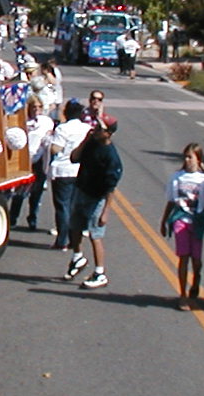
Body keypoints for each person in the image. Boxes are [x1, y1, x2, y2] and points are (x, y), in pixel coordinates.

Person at [159, 142, 204, 306]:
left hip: (197, 222)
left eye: (190, 157)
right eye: (185, 157)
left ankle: (196, 280)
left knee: (196, 259)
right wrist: (164, 221)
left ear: (198, 159)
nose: (187, 160)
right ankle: (183, 294)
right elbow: (171, 201)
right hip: (180, 219)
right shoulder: (177, 178)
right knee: (183, 257)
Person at [65, 116, 122, 289]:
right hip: (81, 191)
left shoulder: (111, 157)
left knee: (95, 235)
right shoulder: (91, 143)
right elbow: (73, 158)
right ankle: (78, 257)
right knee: (74, 227)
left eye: (100, 128)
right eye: (96, 126)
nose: (95, 129)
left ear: (108, 134)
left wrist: (106, 212)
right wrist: (85, 140)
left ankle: (100, 273)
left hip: (97, 198)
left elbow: (110, 188)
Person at [47, 100, 92, 251]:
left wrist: (49, 140)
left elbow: (55, 149)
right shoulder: (87, 128)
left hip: (64, 171)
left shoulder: (63, 129)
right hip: (81, 170)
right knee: (75, 207)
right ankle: (74, 240)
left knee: (63, 206)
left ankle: (62, 240)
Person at [9, 96, 54, 233]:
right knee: (20, 192)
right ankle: (13, 218)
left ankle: (32, 219)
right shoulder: (22, 121)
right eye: (34, 107)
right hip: (25, 160)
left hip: (39, 161)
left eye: (39, 107)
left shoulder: (46, 122)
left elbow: (49, 137)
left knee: (36, 193)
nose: (36, 110)